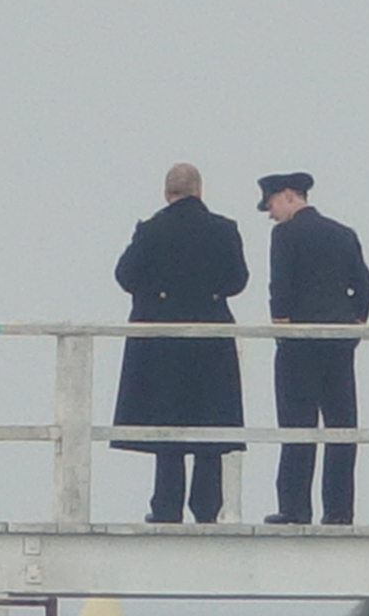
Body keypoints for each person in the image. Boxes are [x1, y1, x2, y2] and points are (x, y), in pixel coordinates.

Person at [110, 162, 248, 523]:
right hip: (211, 342)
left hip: (163, 343)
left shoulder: (152, 230)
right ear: (200, 191)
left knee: (167, 425)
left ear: (166, 193)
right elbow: (237, 281)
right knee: (210, 427)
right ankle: (206, 509)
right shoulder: (224, 230)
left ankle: (166, 508)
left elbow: (125, 275)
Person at [259, 170, 369, 526]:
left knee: (297, 427)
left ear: (290, 195)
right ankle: (339, 511)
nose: (269, 212)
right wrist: (353, 327)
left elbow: (280, 290)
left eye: (272, 203)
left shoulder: (285, 235)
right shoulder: (343, 234)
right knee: (342, 428)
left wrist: (282, 327)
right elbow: (366, 288)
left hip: (298, 347)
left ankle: (295, 508)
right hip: (339, 345)